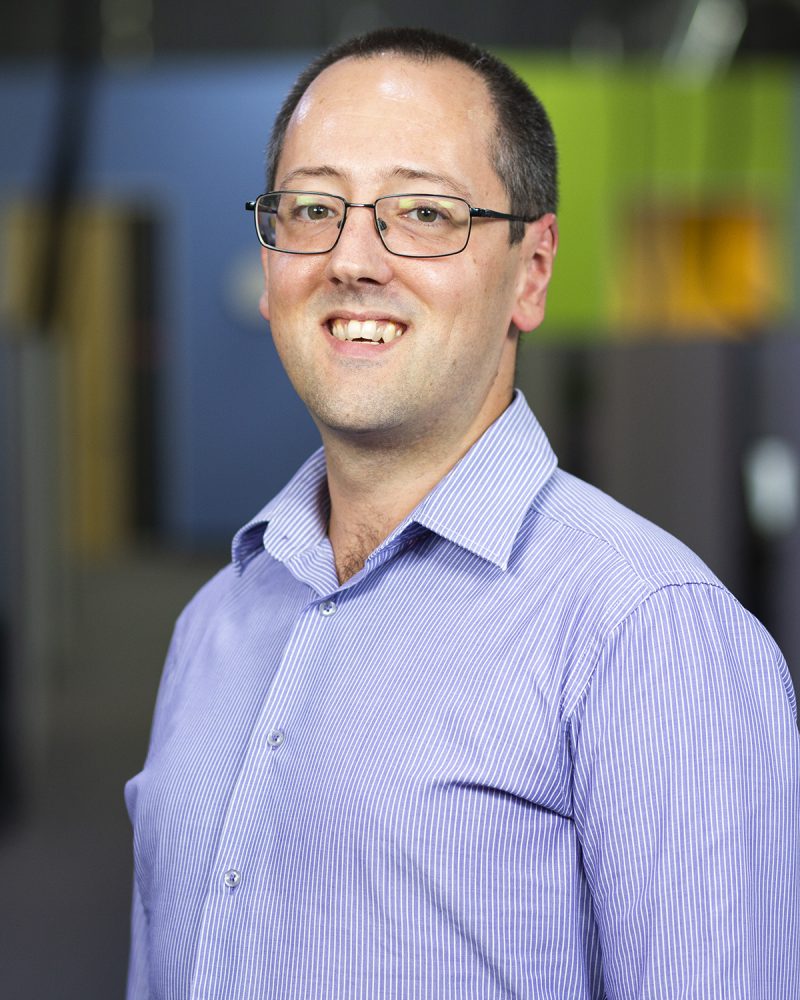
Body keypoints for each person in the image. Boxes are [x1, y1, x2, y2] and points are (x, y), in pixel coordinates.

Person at [125, 27, 800, 999]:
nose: (353, 260)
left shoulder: (648, 636)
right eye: (312, 208)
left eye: (423, 212)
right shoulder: (211, 626)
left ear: (531, 271)